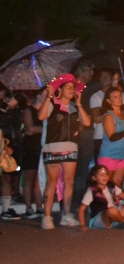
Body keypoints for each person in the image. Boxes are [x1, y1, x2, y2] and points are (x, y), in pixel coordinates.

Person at [37, 74, 92, 229]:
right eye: (67, 87)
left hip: (71, 147)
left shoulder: (75, 107)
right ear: (59, 89)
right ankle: (46, 216)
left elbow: (87, 122)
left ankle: (66, 214)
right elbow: (41, 116)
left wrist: (80, 104)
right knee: (52, 182)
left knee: (69, 181)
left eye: (73, 87)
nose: (71, 89)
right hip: (53, 147)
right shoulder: (52, 104)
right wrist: (48, 95)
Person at [78, 164, 124, 231]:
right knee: (112, 210)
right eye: (101, 175)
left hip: (115, 211)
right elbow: (82, 209)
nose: (105, 177)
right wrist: (82, 225)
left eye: (106, 174)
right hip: (100, 218)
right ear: (94, 178)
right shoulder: (91, 191)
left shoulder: (111, 186)